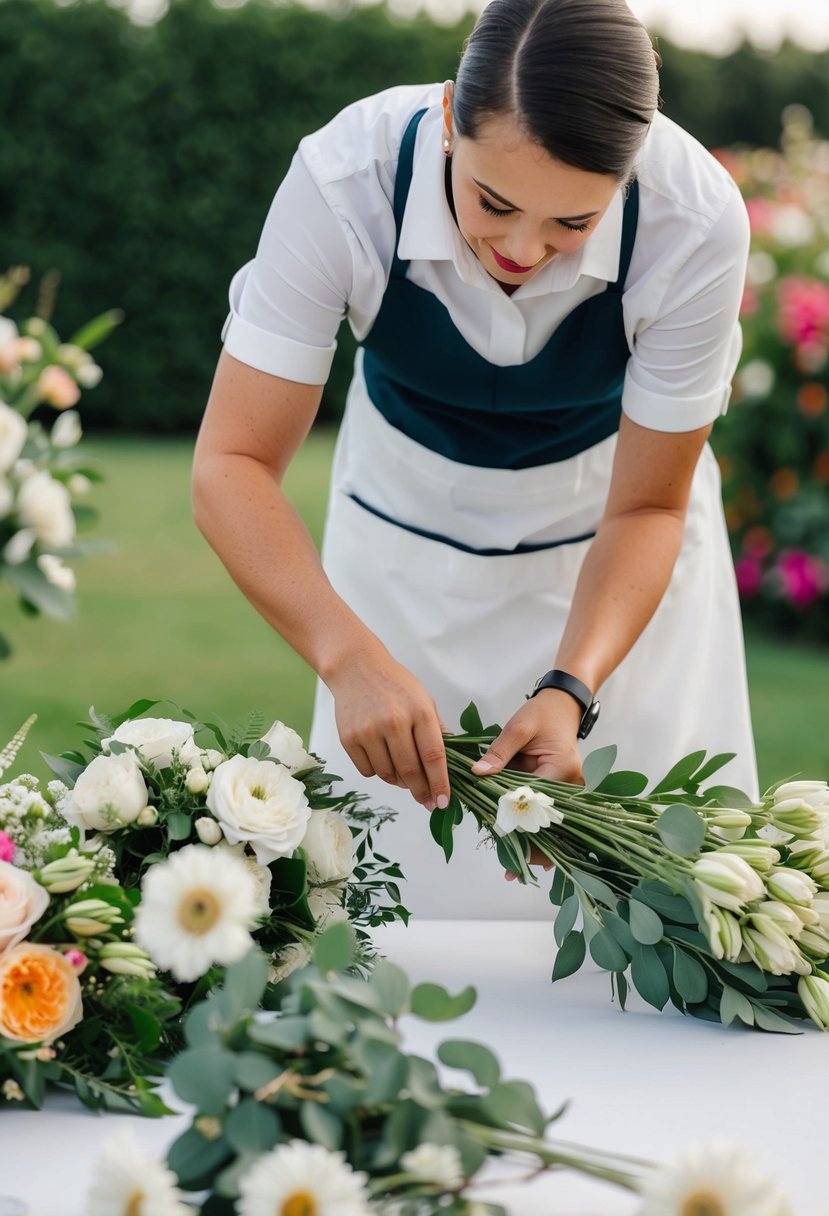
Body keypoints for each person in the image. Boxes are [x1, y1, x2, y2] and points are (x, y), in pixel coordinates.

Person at [193, 0, 757, 918]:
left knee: (647, 914)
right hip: (399, 548)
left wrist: (574, 686)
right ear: (451, 117)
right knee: (387, 908)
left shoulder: (692, 220)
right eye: (492, 202)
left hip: (613, 560)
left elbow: (649, 507)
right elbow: (231, 463)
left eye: (572, 222)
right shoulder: (345, 180)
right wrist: (347, 658)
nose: (521, 251)